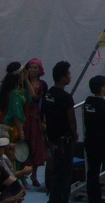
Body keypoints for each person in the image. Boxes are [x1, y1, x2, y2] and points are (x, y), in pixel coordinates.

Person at [42, 62, 76, 203]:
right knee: (64, 174)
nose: (70, 76)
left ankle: (55, 197)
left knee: (55, 170)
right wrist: (74, 134)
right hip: (64, 140)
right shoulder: (66, 97)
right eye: (68, 73)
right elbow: (71, 119)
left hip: (52, 139)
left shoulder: (48, 94)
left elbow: (43, 116)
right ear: (62, 77)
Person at [20, 60, 46, 188]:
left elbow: (43, 103)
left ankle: (34, 174)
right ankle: (22, 174)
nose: (33, 70)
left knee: (36, 147)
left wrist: (44, 120)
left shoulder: (43, 84)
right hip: (24, 118)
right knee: (23, 146)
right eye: (31, 67)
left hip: (36, 119)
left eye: (36, 67)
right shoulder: (22, 84)